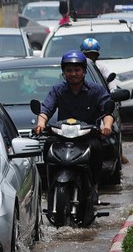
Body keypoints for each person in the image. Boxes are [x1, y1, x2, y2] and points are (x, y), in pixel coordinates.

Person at [33, 50, 114, 194]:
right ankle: (49, 183)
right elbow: (45, 110)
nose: (73, 74)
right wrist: (40, 124)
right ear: (64, 72)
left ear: (83, 71)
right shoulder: (57, 90)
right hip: (62, 137)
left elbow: (107, 111)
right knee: (48, 145)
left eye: (77, 70)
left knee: (96, 147)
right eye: (69, 70)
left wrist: (107, 126)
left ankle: (94, 184)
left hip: (87, 136)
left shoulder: (96, 90)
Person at [80, 37, 129, 165]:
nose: (90, 58)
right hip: (81, 106)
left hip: (99, 105)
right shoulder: (76, 71)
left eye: (92, 55)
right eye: (87, 55)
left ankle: (114, 154)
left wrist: (112, 93)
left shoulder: (101, 69)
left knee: (109, 130)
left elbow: (111, 83)